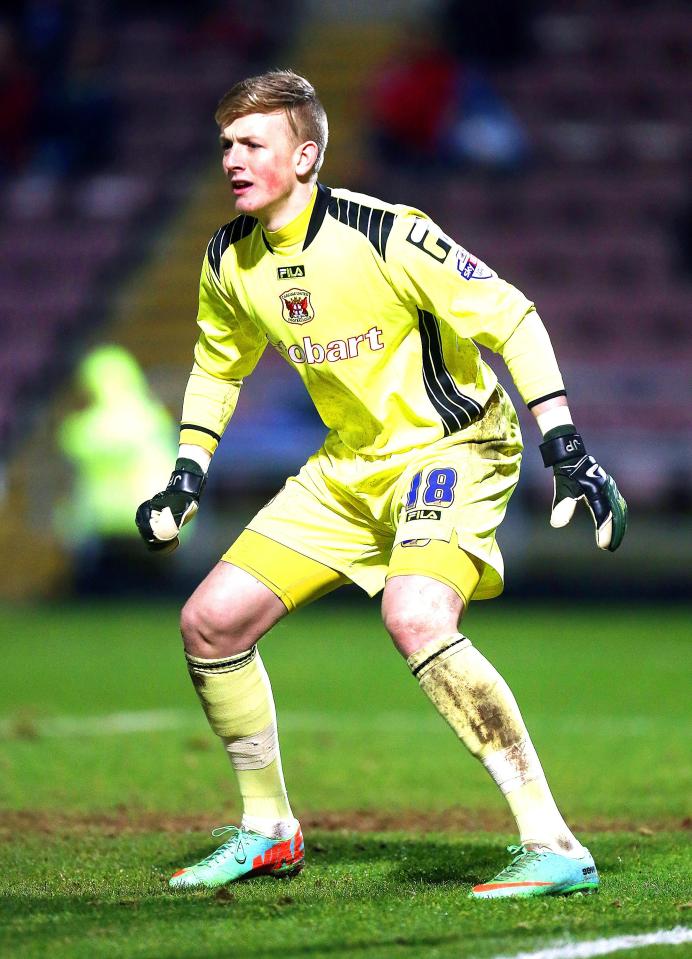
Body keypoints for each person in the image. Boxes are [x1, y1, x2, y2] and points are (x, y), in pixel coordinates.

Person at [136, 70, 627, 899]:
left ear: (307, 155)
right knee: (210, 622)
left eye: (253, 142)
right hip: (351, 463)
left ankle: (554, 842)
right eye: (225, 143)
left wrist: (565, 442)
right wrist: (187, 472)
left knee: (414, 613)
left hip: (454, 445)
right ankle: (269, 830)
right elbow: (218, 368)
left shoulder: (386, 233)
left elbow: (513, 315)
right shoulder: (230, 257)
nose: (232, 158)